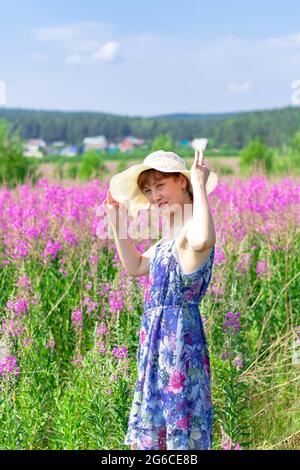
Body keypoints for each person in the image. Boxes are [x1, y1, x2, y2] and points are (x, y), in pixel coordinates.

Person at [102, 149, 218, 450]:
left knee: (180, 438)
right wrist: (117, 222)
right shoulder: (168, 241)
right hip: (156, 349)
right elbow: (135, 266)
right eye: (148, 190)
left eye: (160, 185)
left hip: (179, 347)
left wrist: (200, 185)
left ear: (182, 181)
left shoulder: (190, 234)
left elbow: (203, 239)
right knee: (156, 440)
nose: (154, 195)